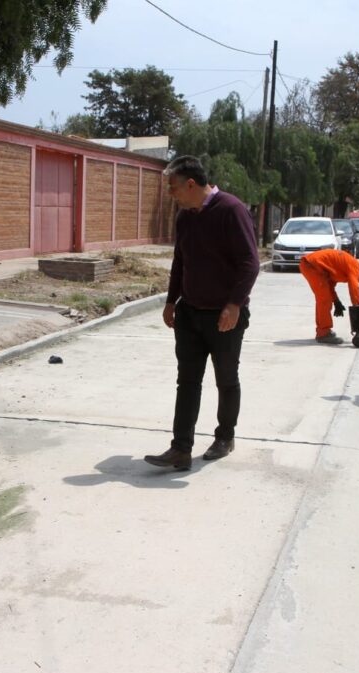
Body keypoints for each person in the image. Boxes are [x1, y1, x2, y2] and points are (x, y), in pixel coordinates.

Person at [144, 156, 260, 471]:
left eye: (173, 188)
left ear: (191, 184)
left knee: (226, 379)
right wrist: (171, 301)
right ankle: (180, 449)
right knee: (188, 381)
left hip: (225, 317)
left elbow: (250, 263)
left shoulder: (231, 210)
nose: (171, 195)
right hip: (190, 314)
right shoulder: (185, 218)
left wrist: (234, 305)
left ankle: (225, 436)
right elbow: (180, 262)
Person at [299, 249, 359, 344]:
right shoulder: (355, 267)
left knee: (324, 299)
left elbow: (330, 286)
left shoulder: (341, 268)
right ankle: (323, 334)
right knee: (324, 301)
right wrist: (358, 308)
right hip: (312, 266)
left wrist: (336, 301)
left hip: (313, 266)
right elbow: (354, 288)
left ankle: (322, 331)